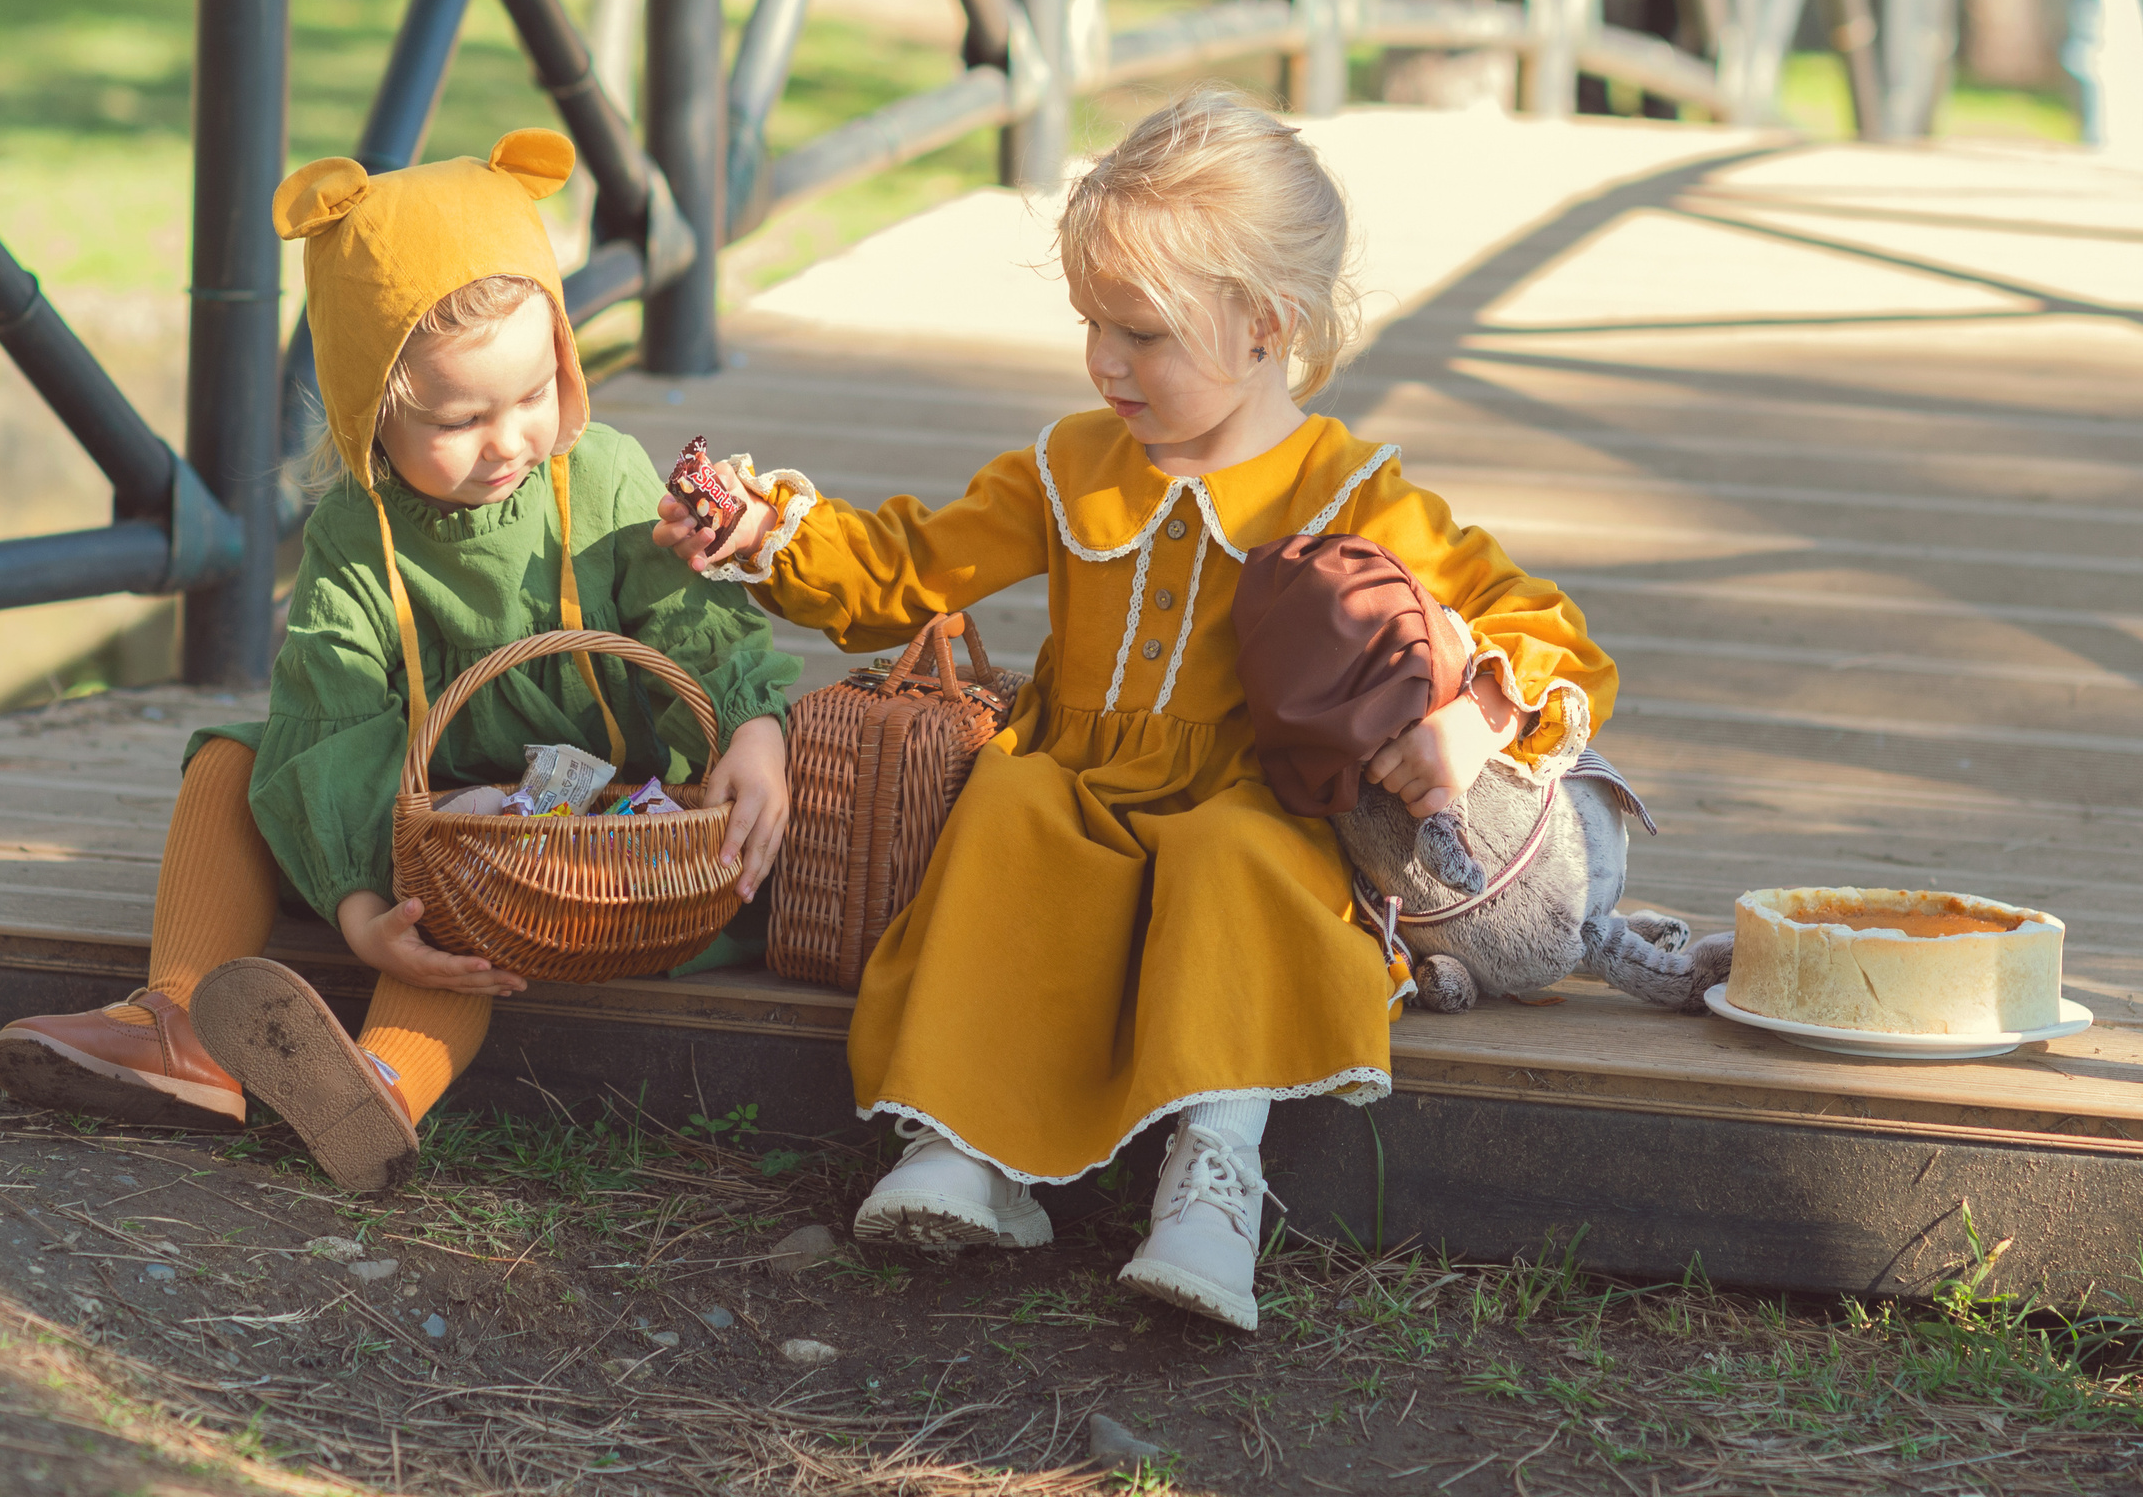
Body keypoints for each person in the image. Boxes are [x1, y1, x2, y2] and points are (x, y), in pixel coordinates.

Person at [656, 90, 1615, 1331]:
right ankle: (965, 1143)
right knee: (1013, 803)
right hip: (1084, 776)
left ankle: (1212, 1177)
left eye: (1140, 333)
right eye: (1090, 326)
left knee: (1239, 856)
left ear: (1265, 325)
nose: (1105, 362)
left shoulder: (1352, 490)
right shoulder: (1067, 467)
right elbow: (908, 568)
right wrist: (764, 531)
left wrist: (1468, 722)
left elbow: (1548, 631)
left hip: (1255, 797)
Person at [0, 130, 799, 1193]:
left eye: (532, 395)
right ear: (370, 409)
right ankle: (178, 1023)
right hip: (420, 827)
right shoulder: (355, 536)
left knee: (471, 886)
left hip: (607, 845)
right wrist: (364, 909)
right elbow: (328, 719)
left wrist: (753, 726)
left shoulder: (597, 478)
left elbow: (695, 622)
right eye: (461, 419)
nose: (508, 442)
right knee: (235, 760)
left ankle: (377, 1084)